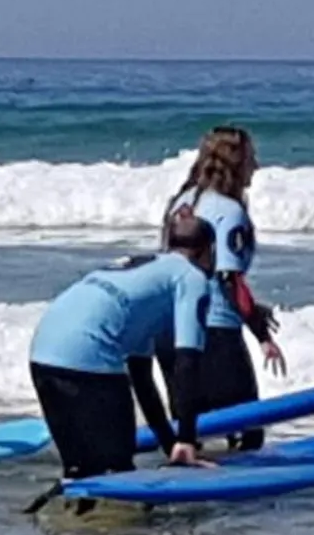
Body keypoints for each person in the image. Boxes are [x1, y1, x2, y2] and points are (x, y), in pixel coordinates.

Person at [28, 210, 217, 483]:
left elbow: (142, 378)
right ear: (207, 250)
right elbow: (187, 363)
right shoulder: (191, 277)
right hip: (88, 358)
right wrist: (187, 440)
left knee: (81, 470)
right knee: (116, 471)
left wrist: (170, 444)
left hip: (43, 353)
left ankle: (70, 508)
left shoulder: (151, 276)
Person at [156, 126, 285, 451]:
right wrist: (262, 335)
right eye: (251, 158)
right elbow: (228, 279)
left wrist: (253, 310)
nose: (256, 166)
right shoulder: (229, 211)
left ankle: (182, 481)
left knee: (188, 432)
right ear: (236, 163)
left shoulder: (180, 202)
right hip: (213, 333)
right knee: (247, 431)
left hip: (169, 330)